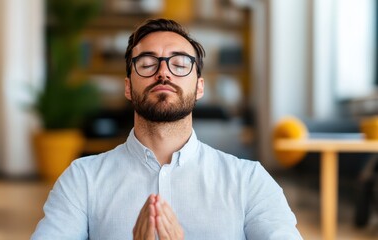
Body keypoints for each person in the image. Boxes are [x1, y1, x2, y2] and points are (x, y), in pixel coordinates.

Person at [31, 18, 302, 240]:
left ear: (199, 87)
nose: (164, 73)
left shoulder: (249, 181)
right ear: (128, 86)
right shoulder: (82, 179)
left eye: (180, 64)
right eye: (147, 64)